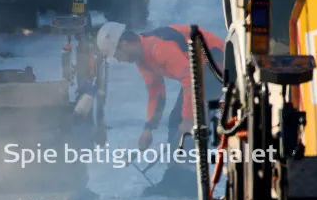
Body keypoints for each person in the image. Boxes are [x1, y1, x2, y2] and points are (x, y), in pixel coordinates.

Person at [95, 21, 225, 153]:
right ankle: (177, 163)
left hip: (217, 64)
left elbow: (190, 79)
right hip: (200, 73)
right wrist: (149, 128)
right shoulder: (142, 59)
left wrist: (188, 119)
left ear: (124, 44)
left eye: (117, 56)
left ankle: (184, 167)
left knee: (190, 121)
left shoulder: (158, 47)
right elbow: (156, 92)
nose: (120, 60)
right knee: (176, 121)